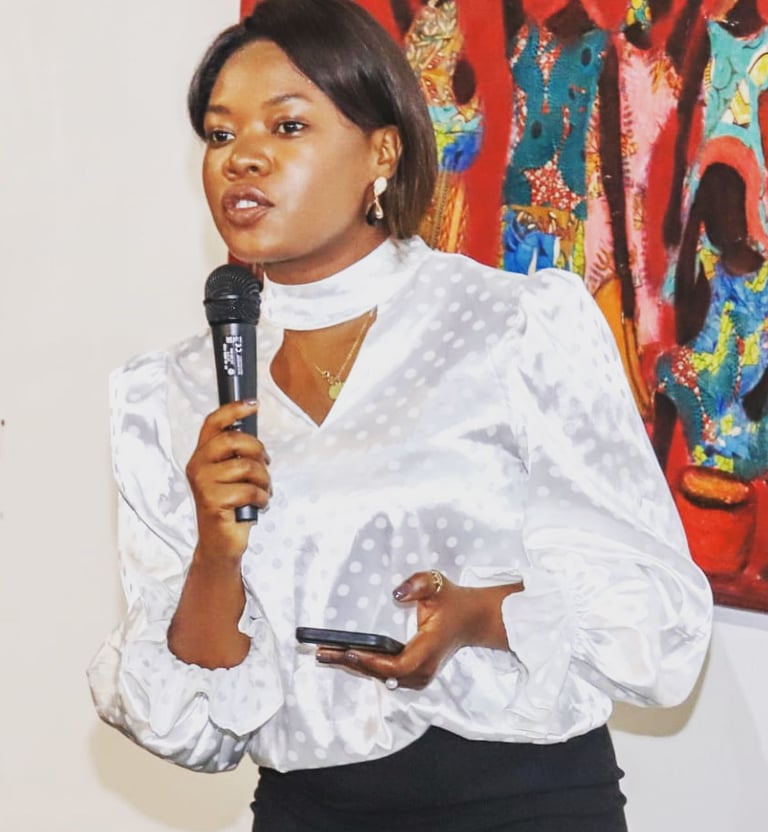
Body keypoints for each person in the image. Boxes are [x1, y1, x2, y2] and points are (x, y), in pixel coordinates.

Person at [88, 1, 713, 830]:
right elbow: (192, 727)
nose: (243, 158)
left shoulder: (514, 325)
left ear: (382, 151)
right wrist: (214, 551)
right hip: (308, 812)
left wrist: (481, 615)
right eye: (220, 133)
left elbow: (657, 619)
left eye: (287, 126)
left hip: (523, 804)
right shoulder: (170, 392)